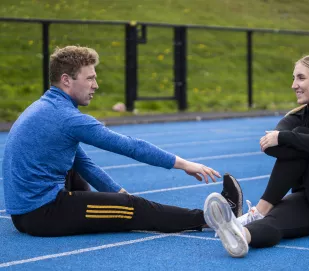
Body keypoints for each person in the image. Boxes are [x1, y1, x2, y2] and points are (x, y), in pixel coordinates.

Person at [3, 45, 243, 237]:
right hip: (42, 213)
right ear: (66, 80)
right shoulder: (67, 118)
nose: (95, 85)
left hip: (25, 213)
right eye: (90, 78)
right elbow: (130, 146)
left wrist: (116, 193)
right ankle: (214, 218)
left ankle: (109, 207)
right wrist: (184, 164)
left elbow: (83, 164)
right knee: (133, 208)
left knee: (95, 184)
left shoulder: (45, 107)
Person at [204, 54, 309, 258]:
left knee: (302, 137)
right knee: (274, 221)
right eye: (294, 78)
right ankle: (242, 235)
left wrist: (290, 139)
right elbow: (271, 147)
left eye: (300, 78)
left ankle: (259, 210)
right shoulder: (295, 118)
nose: (294, 85)